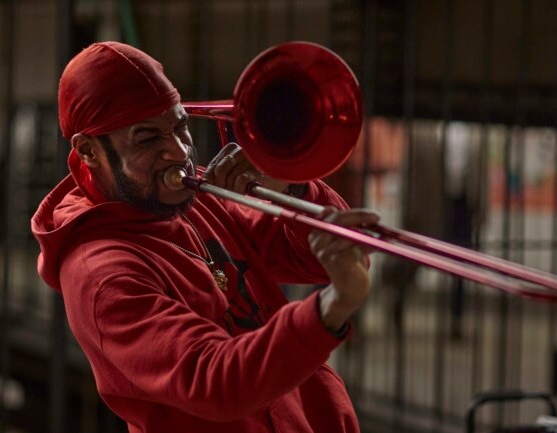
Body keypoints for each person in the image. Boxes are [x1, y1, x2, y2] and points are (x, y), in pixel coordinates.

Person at [31, 41, 378, 433]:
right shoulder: (100, 273)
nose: (179, 153)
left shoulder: (191, 201)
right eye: (148, 139)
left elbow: (322, 261)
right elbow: (216, 381)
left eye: (180, 127)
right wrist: (330, 310)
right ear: (90, 151)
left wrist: (292, 186)